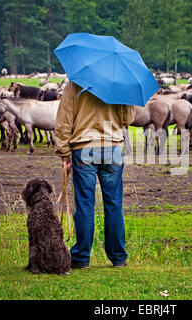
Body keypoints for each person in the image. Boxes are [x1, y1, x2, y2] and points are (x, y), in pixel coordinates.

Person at [55, 81, 135, 269]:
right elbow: (128, 119)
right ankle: (118, 258)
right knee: (114, 204)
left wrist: (64, 152)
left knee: (84, 204)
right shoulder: (120, 82)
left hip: (84, 147)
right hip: (112, 147)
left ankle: (82, 258)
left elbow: (64, 119)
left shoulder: (75, 84)